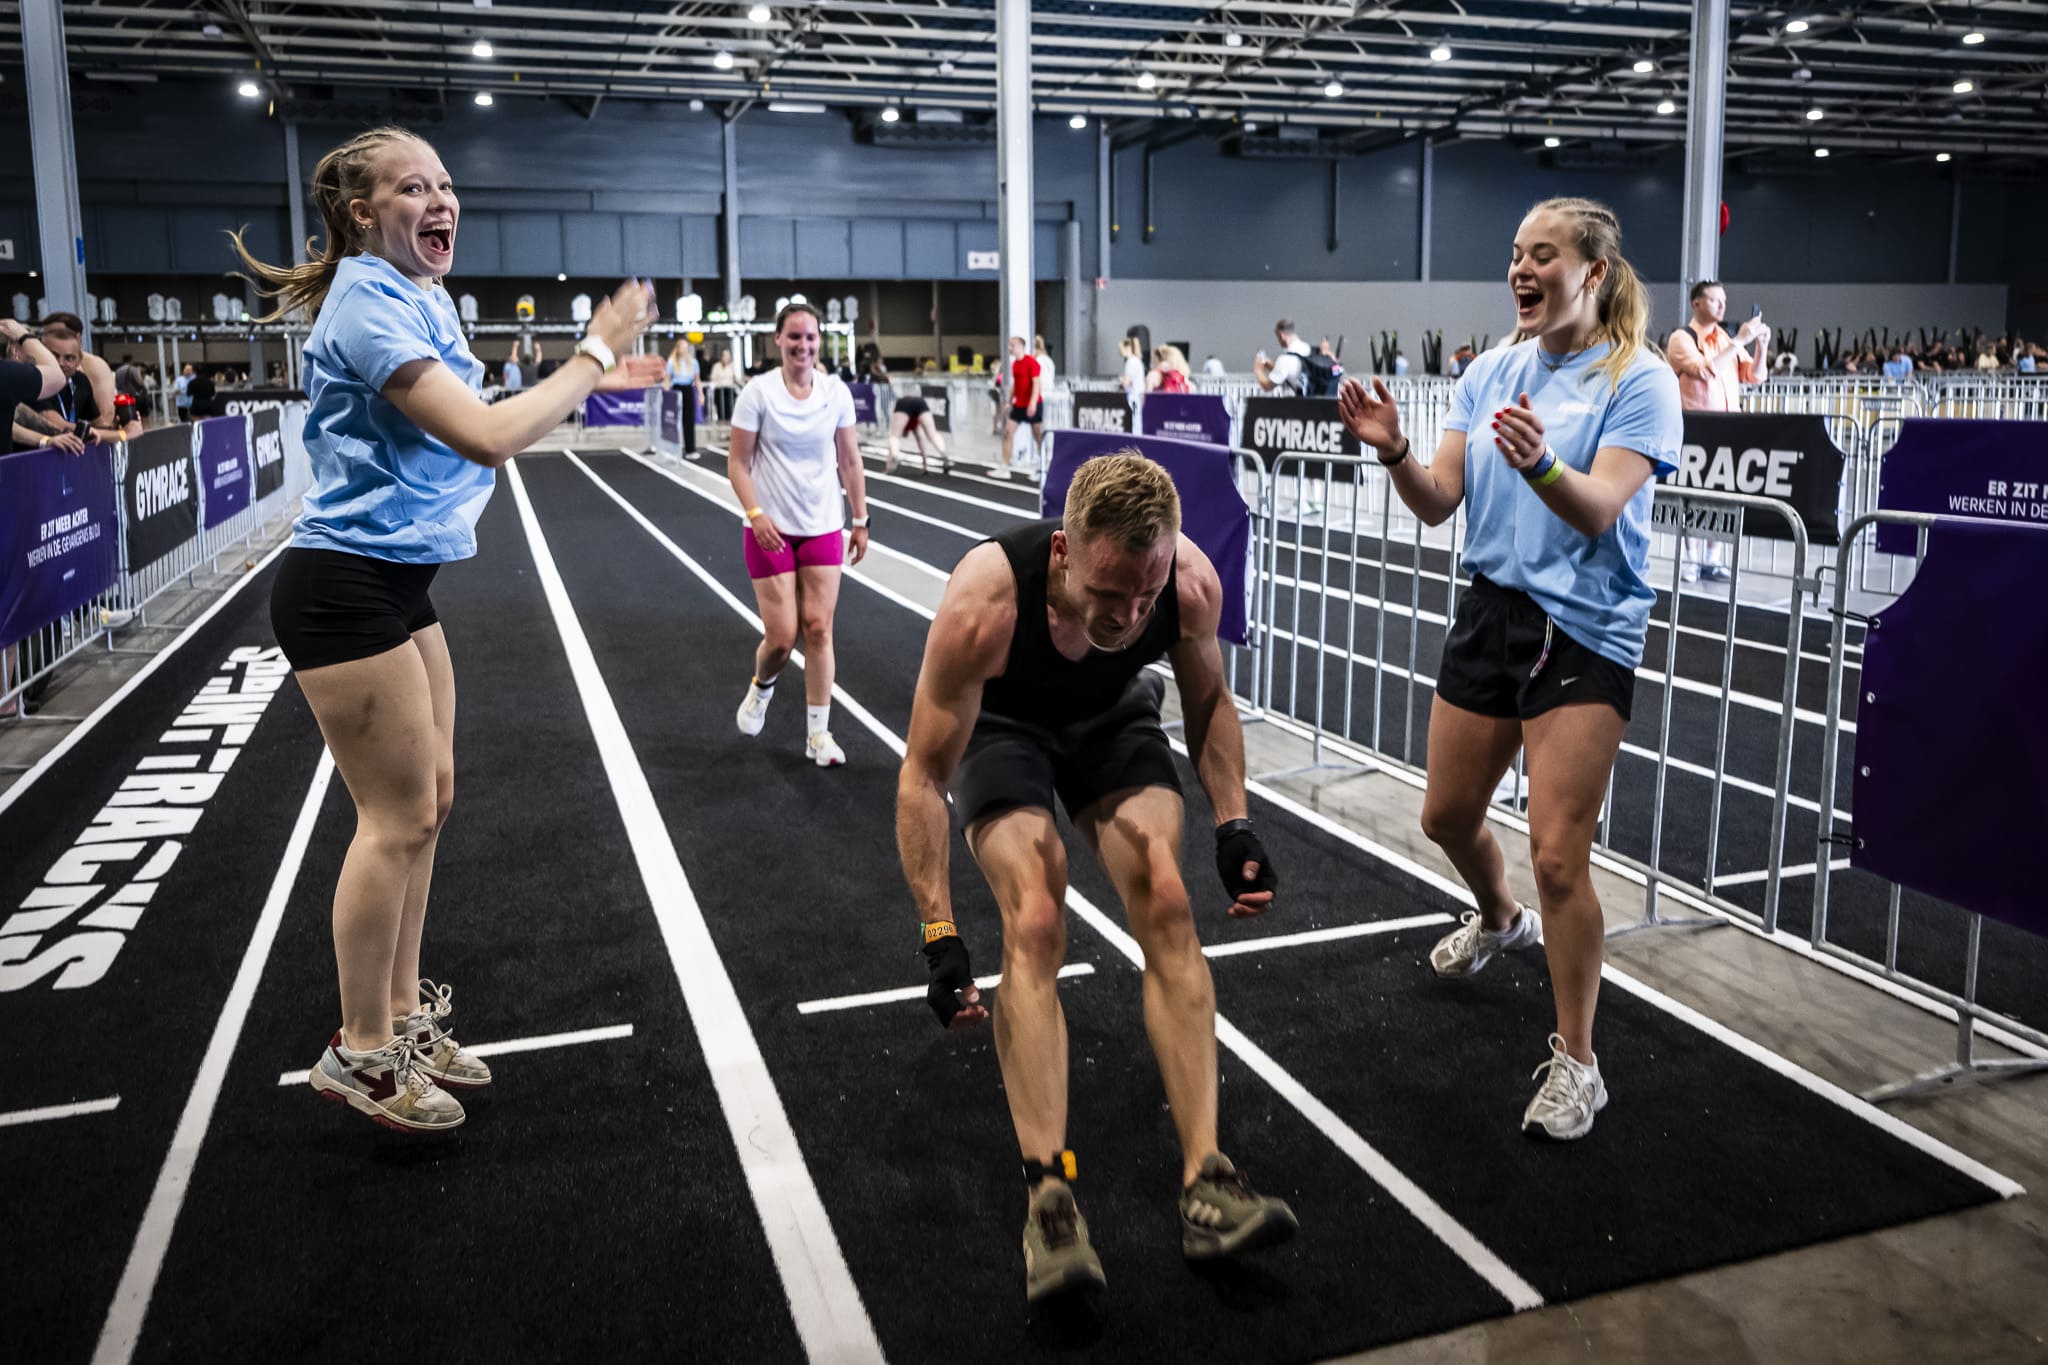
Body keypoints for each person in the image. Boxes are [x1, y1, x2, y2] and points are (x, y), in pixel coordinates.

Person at [232, 125, 661, 1134]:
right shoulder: (366, 306)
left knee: (431, 801)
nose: (440, 202)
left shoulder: (419, 295)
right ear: (359, 213)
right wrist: (596, 351)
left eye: (445, 184)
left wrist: (595, 378)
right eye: (410, 188)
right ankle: (359, 1052)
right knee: (393, 820)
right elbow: (486, 434)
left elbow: (486, 412)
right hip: (342, 587)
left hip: (395, 582)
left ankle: (400, 1017)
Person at [897, 451, 1296, 1304]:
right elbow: (924, 775)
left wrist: (1235, 822)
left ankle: (1208, 1183)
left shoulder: (1185, 583)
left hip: (1112, 720)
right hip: (1006, 725)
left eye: (1144, 596)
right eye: (1109, 595)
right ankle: (1049, 1195)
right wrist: (939, 931)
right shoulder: (985, 602)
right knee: (1037, 914)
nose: (1128, 615)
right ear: (1064, 554)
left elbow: (1208, 700)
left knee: (1169, 899)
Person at [1335, 195, 1682, 1142]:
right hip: (1491, 612)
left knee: (1560, 853)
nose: (1522, 271)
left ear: (1593, 273)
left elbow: (1603, 506)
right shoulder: (1489, 370)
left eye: (1544, 256)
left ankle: (1579, 1061)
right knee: (1444, 814)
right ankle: (1499, 918)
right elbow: (1439, 501)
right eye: (1515, 254)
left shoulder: (1640, 381)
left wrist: (1538, 467)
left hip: (1586, 627)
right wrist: (1398, 450)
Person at [728, 302, 871, 768]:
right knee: (782, 636)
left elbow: (849, 461)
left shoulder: (836, 393)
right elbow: (737, 462)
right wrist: (755, 513)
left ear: (819, 342)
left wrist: (861, 518)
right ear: (778, 340)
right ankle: (761, 689)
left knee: (819, 629)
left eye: (810, 338)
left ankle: (818, 736)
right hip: (769, 529)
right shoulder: (758, 393)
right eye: (794, 337)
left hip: (823, 525)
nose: (803, 346)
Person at [1665, 281, 1767, 583]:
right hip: (1696, 428)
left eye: (1723, 300)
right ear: (1697, 303)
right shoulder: (1682, 338)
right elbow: (1704, 370)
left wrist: (1760, 344)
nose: (1721, 306)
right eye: (1714, 300)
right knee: (1692, 494)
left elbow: (1754, 376)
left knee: (1722, 496)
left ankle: (1713, 559)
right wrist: (1740, 341)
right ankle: (1692, 559)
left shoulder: (1724, 337)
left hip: (1728, 428)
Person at [996, 334, 1043, 481]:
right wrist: (1009, 401)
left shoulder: (1032, 362)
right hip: (1019, 405)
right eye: (1009, 345)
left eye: (1012, 345)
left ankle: (1041, 469)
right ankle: (1004, 468)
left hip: (1033, 404)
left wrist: (1033, 403)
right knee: (1007, 433)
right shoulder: (1015, 364)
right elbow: (1016, 385)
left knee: (1038, 437)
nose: (1010, 348)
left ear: (1021, 346)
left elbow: (1036, 384)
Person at [886, 391, 949, 476]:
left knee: (894, 437)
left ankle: (895, 455)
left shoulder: (901, 419)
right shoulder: (915, 425)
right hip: (920, 403)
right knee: (932, 434)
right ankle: (944, 453)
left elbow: (893, 439)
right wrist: (925, 466)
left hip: (903, 404)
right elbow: (921, 444)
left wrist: (888, 469)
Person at [1251, 318, 1311, 393]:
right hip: (1321, 401)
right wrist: (1272, 367)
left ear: (1281, 335)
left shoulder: (1285, 359)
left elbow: (1267, 386)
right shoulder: (1309, 349)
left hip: (1301, 403)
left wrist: (1258, 370)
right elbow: (1291, 376)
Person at [1117, 335, 1145, 415]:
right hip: (1137, 396)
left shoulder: (1131, 362)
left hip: (1133, 397)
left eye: (1120, 348)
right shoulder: (1136, 361)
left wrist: (1122, 381)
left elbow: (1126, 383)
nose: (1119, 351)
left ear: (1128, 347)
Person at [708, 347, 737, 423]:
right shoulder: (716, 366)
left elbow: (735, 378)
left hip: (729, 390)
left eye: (728, 355)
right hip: (719, 390)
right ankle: (721, 422)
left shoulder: (732, 366)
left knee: (729, 409)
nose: (726, 357)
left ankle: (729, 422)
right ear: (721, 356)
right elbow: (712, 377)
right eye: (724, 355)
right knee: (720, 409)